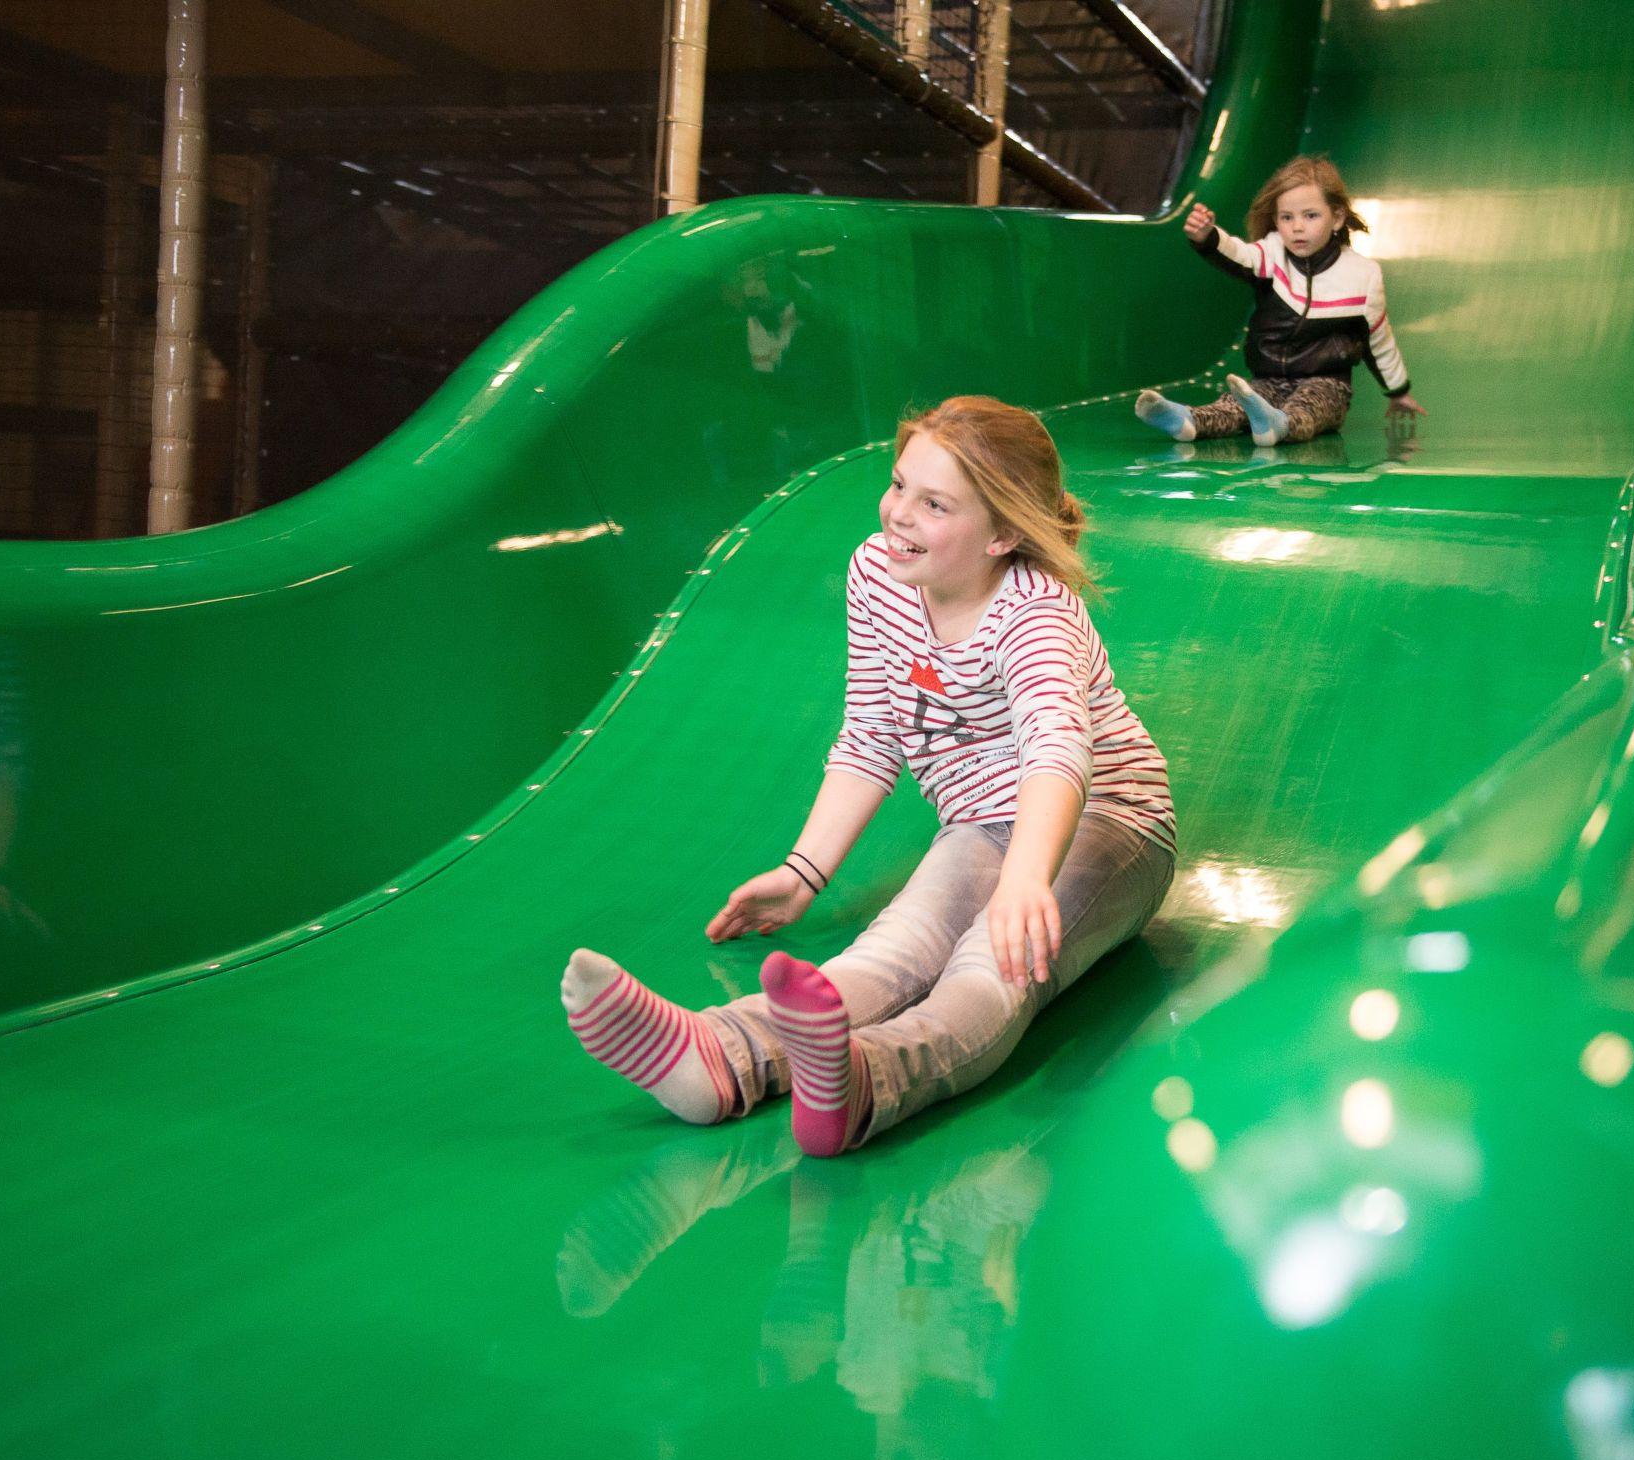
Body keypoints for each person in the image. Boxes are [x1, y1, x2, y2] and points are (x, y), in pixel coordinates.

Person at [562, 396, 1176, 1157]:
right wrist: (802, 873)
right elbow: (872, 730)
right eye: (898, 485)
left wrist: (1025, 880)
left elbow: (1058, 748)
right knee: (891, 951)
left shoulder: (1034, 615)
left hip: (1107, 821)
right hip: (984, 824)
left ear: (1004, 534)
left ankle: (866, 1084)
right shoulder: (879, 576)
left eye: (935, 503)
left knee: (991, 966)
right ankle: (717, 1058)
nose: (899, 515)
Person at [1137, 154, 1426, 446]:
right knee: (1237, 403)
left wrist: (1398, 391)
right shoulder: (1272, 254)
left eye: (1310, 216)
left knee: (1310, 407)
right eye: (1287, 217)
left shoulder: (1362, 275)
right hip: (1269, 377)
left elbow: (1378, 341)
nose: (1297, 227)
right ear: (1276, 221)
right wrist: (1208, 236)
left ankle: (1279, 424)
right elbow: (1239, 254)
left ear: (1336, 218)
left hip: (1327, 382)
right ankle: (1188, 420)